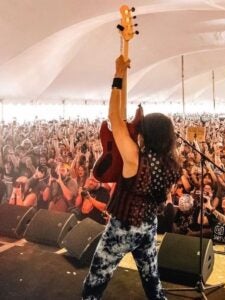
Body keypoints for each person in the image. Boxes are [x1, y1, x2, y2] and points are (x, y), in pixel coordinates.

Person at [82, 55, 180, 300]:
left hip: (122, 228)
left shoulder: (135, 159)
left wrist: (118, 74)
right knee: (151, 279)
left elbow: (115, 119)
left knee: (97, 276)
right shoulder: (172, 164)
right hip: (148, 226)